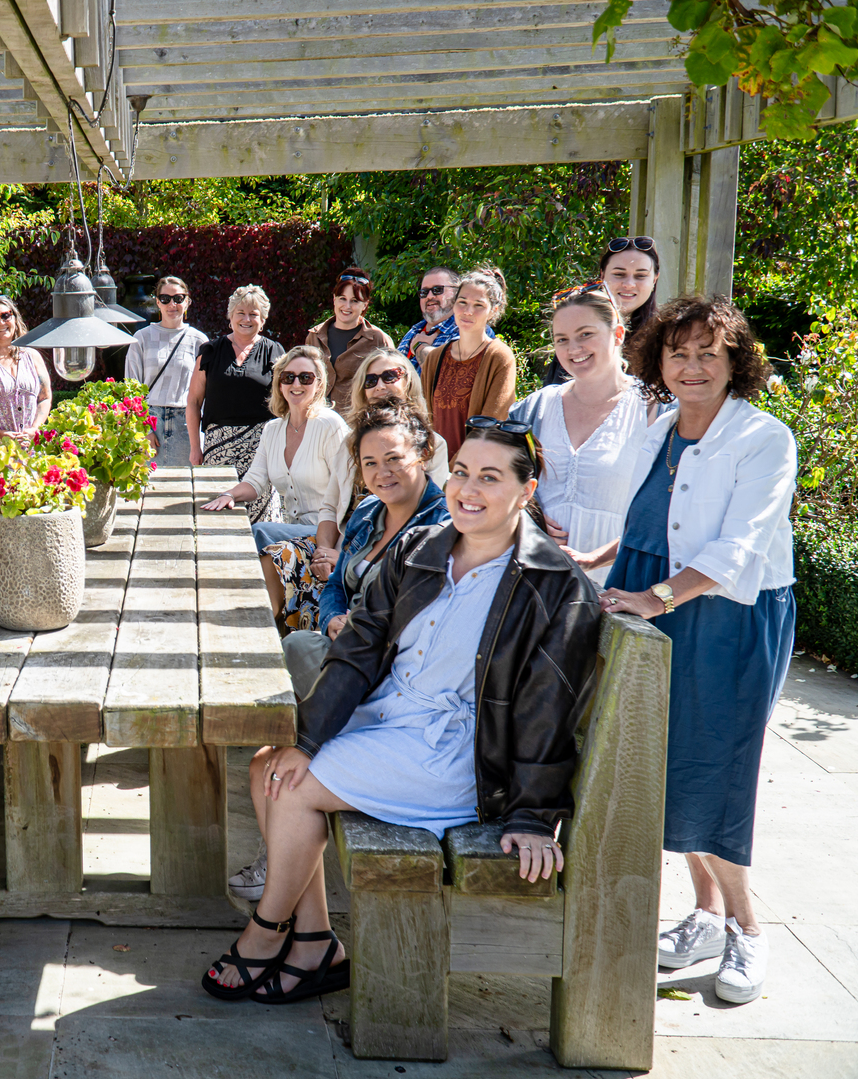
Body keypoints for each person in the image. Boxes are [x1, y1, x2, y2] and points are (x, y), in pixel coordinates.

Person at [204, 420, 600, 1004]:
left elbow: (548, 709)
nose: (467, 488)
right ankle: (314, 943)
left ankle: (265, 935)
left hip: (457, 750)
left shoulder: (555, 587)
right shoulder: (424, 549)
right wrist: (308, 739)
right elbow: (360, 648)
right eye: (463, 472)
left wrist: (533, 815)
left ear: (527, 490)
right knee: (270, 765)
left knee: (289, 786)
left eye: (490, 477)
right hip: (391, 717)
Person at [596, 297, 794, 1006]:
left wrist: (656, 598)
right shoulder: (658, 426)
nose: (693, 366)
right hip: (655, 595)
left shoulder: (764, 437)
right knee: (662, 768)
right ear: (659, 362)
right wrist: (603, 557)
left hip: (723, 617)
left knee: (714, 771)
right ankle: (706, 912)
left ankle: (748, 928)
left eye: (709, 352)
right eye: (679, 352)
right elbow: (655, 521)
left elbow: (735, 549)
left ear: (736, 361)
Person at [231, 402, 450, 902]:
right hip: (343, 651)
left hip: (387, 679)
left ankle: (304, 761)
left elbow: (416, 624)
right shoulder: (370, 512)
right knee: (298, 656)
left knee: (298, 652)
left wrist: (354, 632)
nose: (382, 473)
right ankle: (289, 827)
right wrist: (334, 616)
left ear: (424, 453)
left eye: (393, 458)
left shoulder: (438, 529)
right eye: (370, 463)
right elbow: (337, 580)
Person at [508, 283, 662, 584]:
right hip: (537, 583)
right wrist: (528, 512)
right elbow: (501, 479)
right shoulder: (534, 408)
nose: (573, 349)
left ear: (617, 334)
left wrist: (598, 558)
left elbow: (667, 509)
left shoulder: (655, 408)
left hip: (619, 585)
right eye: (561, 339)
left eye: (585, 334)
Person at [201, 347, 354, 614]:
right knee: (250, 533)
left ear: (319, 383)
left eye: (306, 378)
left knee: (258, 532)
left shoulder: (330, 426)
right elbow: (255, 481)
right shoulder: (273, 429)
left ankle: (254, 616)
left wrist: (332, 551)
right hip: (295, 529)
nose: (296, 384)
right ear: (279, 383)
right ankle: (256, 614)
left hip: (328, 534)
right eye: (288, 377)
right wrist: (229, 495)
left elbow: (347, 494)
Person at [187, 284, 285, 523]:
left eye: (254, 314)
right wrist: (194, 447)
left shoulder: (276, 352)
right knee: (218, 513)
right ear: (230, 316)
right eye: (240, 312)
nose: (246, 319)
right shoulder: (210, 351)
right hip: (217, 447)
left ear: (263, 320)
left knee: (262, 516)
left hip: (262, 447)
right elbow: (193, 402)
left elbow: (287, 403)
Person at [420, 266, 516, 457]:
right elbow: (422, 420)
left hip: (475, 471)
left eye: (479, 305)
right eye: (462, 302)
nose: (468, 311)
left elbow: (490, 426)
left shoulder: (499, 357)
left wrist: (455, 472)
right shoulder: (435, 358)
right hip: (434, 472)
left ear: (493, 310)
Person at [540, 236, 663, 386]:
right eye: (619, 274)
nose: (629, 284)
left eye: (640, 276)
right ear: (602, 276)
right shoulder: (574, 326)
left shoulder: (665, 337)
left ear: (655, 280)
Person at [126, 275, 208, 467]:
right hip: (150, 422)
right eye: (165, 299)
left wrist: (198, 437)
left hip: (186, 424)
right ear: (157, 302)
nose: (172, 304)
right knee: (147, 488)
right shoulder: (142, 338)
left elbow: (206, 392)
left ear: (187, 301)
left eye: (178, 298)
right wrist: (143, 427)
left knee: (184, 489)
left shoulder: (199, 341)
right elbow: (131, 388)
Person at [345, 347, 449, 485]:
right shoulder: (350, 441)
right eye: (370, 380)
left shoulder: (434, 444)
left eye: (390, 376)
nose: (380, 386)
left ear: (408, 381)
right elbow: (332, 501)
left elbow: (431, 498)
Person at [303, 267, 394, 406]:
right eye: (342, 299)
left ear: (365, 305)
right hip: (318, 420)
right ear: (334, 299)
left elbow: (391, 387)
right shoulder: (314, 336)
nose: (347, 306)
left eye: (355, 301)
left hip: (359, 422)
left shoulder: (379, 340)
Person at [0, 295, 52, 444]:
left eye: (6, 316)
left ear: (14, 318)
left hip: (32, 450)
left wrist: (35, 429)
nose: (1, 322)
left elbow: (45, 398)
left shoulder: (32, 356)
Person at [395, 267, 493, 369]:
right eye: (424, 292)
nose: (429, 296)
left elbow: (456, 373)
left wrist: (419, 346)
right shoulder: (414, 331)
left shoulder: (470, 328)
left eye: (437, 290)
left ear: (457, 293)